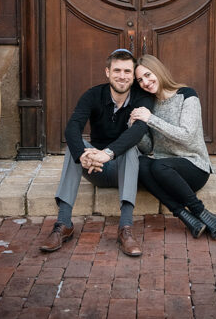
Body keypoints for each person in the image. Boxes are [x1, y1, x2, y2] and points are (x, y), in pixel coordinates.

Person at [41, 49, 155, 257]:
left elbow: (138, 132)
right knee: (75, 146)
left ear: (133, 75)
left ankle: (125, 229)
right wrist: (84, 155)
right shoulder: (93, 95)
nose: (122, 76)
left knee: (131, 148)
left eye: (127, 71)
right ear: (107, 72)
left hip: (127, 170)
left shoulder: (143, 98)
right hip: (97, 168)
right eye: (117, 70)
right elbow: (72, 127)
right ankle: (63, 224)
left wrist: (108, 153)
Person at [131, 54, 216, 239]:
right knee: (140, 163)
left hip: (194, 167)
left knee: (158, 165)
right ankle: (184, 215)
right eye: (140, 80)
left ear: (158, 71)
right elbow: (148, 147)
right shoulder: (149, 105)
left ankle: (200, 211)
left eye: (148, 75)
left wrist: (151, 119)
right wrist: (135, 125)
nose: (146, 82)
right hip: (165, 171)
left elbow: (187, 136)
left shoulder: (187, 95)